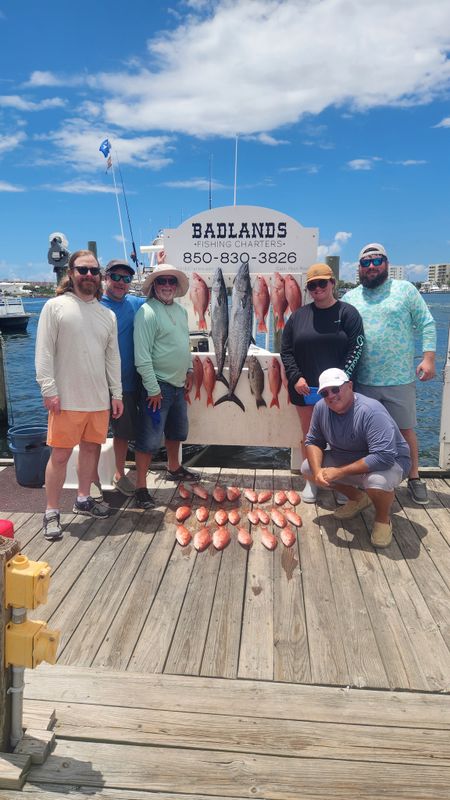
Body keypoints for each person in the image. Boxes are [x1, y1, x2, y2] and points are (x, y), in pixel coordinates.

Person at [35, 249, 123, 541]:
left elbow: (112, 358)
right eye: (82, 270)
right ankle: (51, 511)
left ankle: (83, 499)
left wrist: (117, 394)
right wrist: (48, 389)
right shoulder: (55, 306)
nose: (88, 275)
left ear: (100, 276)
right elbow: (44, 352)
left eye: (94, 271)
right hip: (66, 400)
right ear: (70, 273)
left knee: (90, 451)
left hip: (98, 400)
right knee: (59, 456)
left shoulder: (107, 314)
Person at [343, 243, 436, 505]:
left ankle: (414, 477)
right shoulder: (350, 297)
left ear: (386, 263)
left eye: (377, 260)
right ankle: (361, 480)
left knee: (405, 430)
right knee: (362, 434)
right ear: (359, 268)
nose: (371, 266)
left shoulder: (405, 289)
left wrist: (429, 359)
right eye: (366, 262)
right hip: (362, 380)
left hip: (400, 379)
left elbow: (427, 323)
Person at [281, 262, 364, 503]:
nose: (317, 288)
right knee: (310, 435)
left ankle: (343, 483)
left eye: (322, 283)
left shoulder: (348, 313)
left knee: (344, 437)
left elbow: (357, 347)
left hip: (340, 391)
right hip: (306, 389)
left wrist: (340, 383)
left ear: (332, 283)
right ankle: (313, 479)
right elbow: (286, 351)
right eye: (312, 285)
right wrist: (296, 377)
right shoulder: (298, 316)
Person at [302, 368, 411, 548]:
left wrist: (339, 472)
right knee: (308, 469)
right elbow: (313, 441)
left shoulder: (371, 411)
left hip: (392, 461)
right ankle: (358, 498)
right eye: (325, 393)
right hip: (349, 457)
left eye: (335, 389)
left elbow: (384, 457)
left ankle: (382, 520)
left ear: (350, 386)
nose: (331, 396)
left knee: (376, 481)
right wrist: (318, 471)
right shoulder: (321, 408)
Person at [133, 262, 200, 509]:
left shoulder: (181, 312)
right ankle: (141, 487)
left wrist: (189, 369)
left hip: (178, 385)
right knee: (149, 440)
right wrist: (153, 388)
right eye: (162, 281)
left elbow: (185, 344)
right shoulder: (147, 312)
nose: (168, 285)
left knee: (177, 431)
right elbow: (142, 357)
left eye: (172, 281)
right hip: (157, 388)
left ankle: (174, 467)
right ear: (154, 285)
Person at [96, 259, 146, 499]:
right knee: (92, 436)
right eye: (115, 276)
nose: (120, 282)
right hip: (97, 382)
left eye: (126, 278)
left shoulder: (135, 303)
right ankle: (91, 480)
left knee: (122, 433)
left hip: (126, 384)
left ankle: (119, 473)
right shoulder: (94, 305)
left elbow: (162, 297)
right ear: (106, 278)